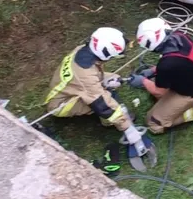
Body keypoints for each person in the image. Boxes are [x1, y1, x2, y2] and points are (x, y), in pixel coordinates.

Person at [44, 27, 150, 157]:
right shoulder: (85, 76)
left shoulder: (83, 50)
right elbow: (103, 105)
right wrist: (128, 128)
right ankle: (107, 122)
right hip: (61, 104)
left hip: (70, 88)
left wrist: (106, 79)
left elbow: (90, 75)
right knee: (106, 98)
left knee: (112, 79)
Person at [131, 18, 193, 134]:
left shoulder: (167, 65)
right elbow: (180, 63)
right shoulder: (180, 36)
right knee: (157, 85)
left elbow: (159, 92)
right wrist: (153, 70)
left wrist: (143, 81)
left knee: (153, 123)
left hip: (191, 92)